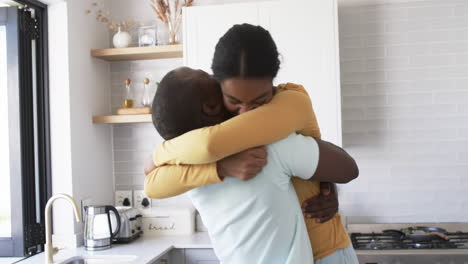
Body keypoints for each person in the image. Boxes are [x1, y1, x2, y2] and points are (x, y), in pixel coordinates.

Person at [145, 24, 359, 263]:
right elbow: (153, 185)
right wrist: (220, 168)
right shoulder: (217, 156)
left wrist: (160, 153)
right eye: (233, 101)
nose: (246, 113)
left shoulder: (289, 104)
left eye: (260, 101)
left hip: (328, 251)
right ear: (217, 88)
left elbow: (208, 144)